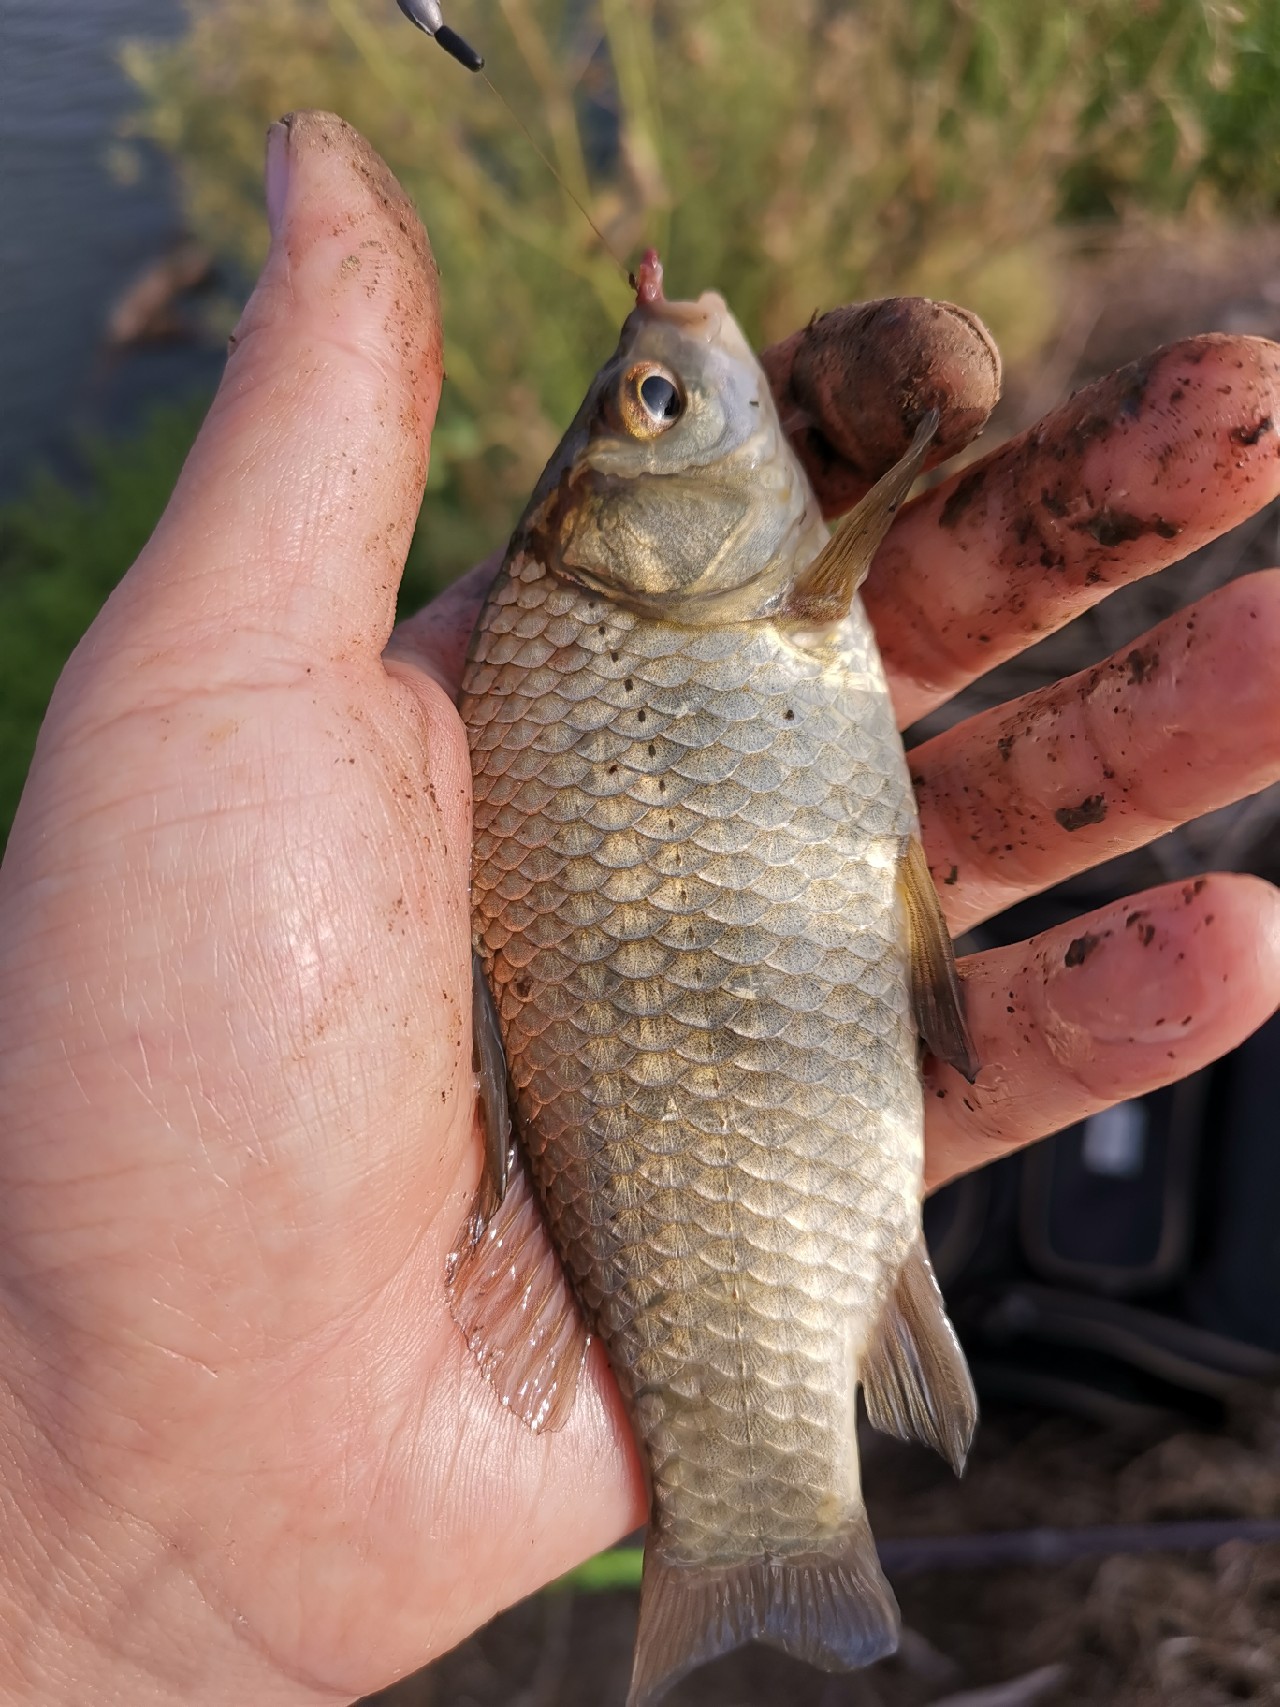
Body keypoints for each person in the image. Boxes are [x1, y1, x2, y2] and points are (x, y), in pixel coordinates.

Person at [0, 112, 1276, 1706]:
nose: (679, 372)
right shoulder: (737, 591)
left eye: (651, 402)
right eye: (659, 406)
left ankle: (763, 1519)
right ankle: (763, 1529)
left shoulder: (681, 600)